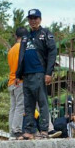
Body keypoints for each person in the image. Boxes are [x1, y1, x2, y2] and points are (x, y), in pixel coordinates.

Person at [16, 9, 57, 140]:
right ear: (28, 20)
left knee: (42, 102)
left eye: (35, 18)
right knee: (28, 105)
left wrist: (48, 73)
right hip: (26, 75)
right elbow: (21, 56)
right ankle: (29, 131)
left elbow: (52, 52)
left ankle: (44, 130)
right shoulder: (25, 37)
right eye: (30, 18)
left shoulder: (46, 34)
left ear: (40, 19)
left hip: (39, 73)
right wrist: (18, 74)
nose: (33, 21)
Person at [8, 27, 28, 138]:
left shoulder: (11, 50)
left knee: (13, 107)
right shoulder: (23, 47)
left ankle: (12, 132)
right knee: (20, 106)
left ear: (16, 36)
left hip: (11, 81)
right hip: (19, 80)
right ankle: (16, 130)